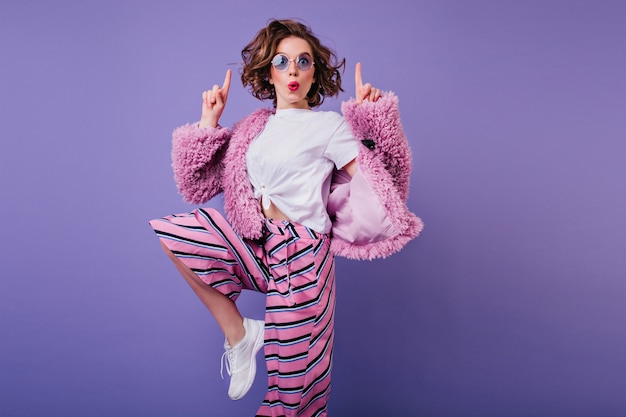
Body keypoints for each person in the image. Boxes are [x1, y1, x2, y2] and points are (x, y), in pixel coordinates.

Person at [149, 18, 422, 417]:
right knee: (178, 234)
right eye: (281, 61)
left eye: (303, 61)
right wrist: (209, 122)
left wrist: (375, 122)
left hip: (303, 258)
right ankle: (240, 333)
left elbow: (385, 182)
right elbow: (197, 185)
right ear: (268, 72)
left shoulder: (329, 126)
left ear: (315, 74)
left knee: (292, 393)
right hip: (258, 242)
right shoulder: (253, 128)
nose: (292, 69)